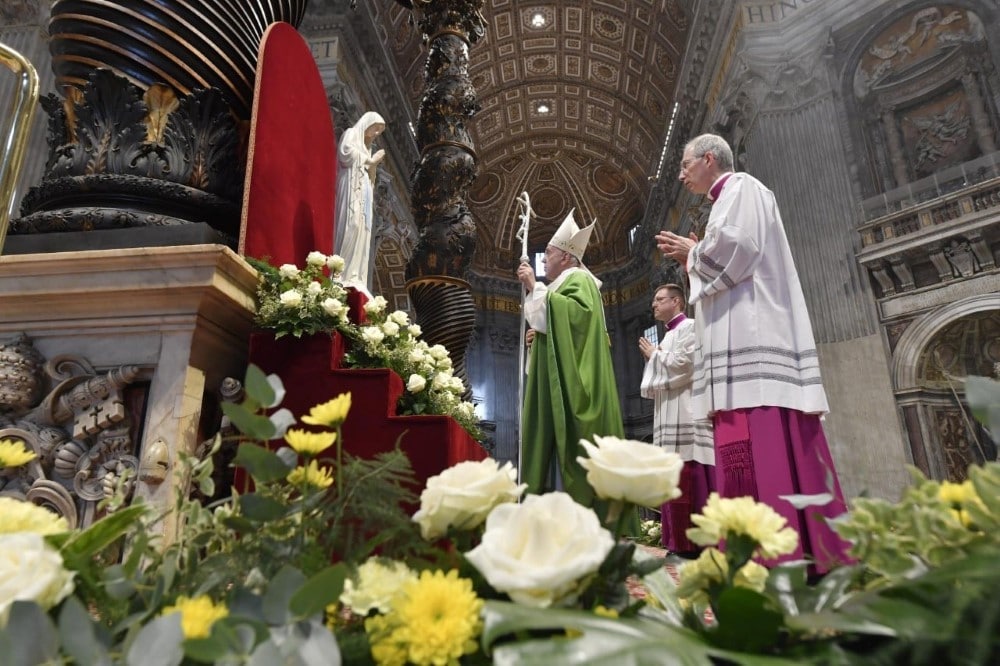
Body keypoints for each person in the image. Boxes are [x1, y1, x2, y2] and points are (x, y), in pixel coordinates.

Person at [656, 133, 851, 571]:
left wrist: (692, 252)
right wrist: (696, 255)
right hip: (734, 343)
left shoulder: (742, 187)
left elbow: (736, 250)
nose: (682, 174)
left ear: (709, 159)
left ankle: (777, 556)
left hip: (753, 340)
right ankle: (777, 552)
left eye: (686, 165)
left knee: (762, 444)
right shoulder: (726, 198)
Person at [516, 210, 631, 525]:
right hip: (558, 372)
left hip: (576, 381)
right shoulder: (564, 282)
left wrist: (533, 287)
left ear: (566, 258)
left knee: (577, 446)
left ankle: (589, 524)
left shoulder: (579, 279)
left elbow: (575, 319)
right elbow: (551, 323)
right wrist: (538, 337)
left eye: (549, 253)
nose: (543, 260)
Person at [639, 284, 714, 556]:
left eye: (659, 300)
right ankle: (676, 541)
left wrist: (654, 356)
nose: (654, 305)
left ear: (677, 301)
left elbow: (687, 365)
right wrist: (657, 357)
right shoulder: (669, 334)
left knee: (688, 477)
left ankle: (695, 544)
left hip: (686, 414)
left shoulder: (691, 327)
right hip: (667, 413)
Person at [335, 111, 386, 293]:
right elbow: (345, 154)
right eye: (376, 128)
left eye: (380, 131)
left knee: (363, 232)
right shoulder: (351, 134)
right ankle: (340, 273)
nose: (377, 133)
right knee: (352, 223)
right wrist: (371, 161)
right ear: (367, 123)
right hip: (350, 186)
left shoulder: (367, 148)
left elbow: (370, 174)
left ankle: (355, 275)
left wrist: (372, 164)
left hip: (363, 192)